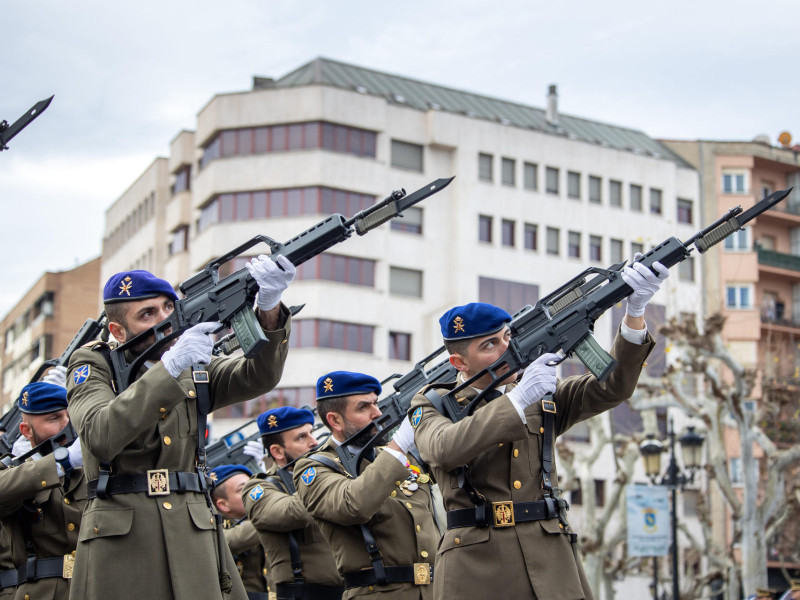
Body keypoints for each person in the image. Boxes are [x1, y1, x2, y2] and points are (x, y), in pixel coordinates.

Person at [408, 258, 668, 600]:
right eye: (490, 345)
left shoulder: (540, 396)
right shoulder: (433, 403)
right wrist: (517, 401)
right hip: (478, 570)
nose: (507, 349)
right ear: (459, 362)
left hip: (552, 563)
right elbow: (443, 448)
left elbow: (611, 388)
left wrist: (634, 313)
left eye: (507, 337)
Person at [65, 259, 295, 600]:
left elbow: (257, 375)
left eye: (168, 308)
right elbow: (99, 434)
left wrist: (269, 307)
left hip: (193, 529)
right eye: (148, 314)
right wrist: (169, 369)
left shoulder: (191, 364)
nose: (165, 320)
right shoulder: (94, 365)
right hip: (124, 537)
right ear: (117, 331)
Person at [295, 372, 439, 600]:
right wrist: (398, 446)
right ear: (335, 420)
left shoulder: (395, 455)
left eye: (376, 403)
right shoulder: (314, 468)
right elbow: (354, 505)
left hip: (433, 591)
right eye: (364, 407)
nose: (378, 413)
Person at [242, 406, 343, 600]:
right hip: (303, 594)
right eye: (301, 437)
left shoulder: (328, 472)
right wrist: (326, 479)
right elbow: (291, 513)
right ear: (278, 452)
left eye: (311, 433)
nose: (313, 442)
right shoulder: (260, 488)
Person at [0, 382, 86, 600]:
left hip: (93, 586)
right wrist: (59, 464)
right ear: (26, 430)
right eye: (54, 418)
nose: (67, 425)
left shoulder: (93, 470)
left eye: (69, 416)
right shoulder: (15, 473)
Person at [210, 464, 270, 600]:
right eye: (243, 489)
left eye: (253, 486)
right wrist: (274, 514)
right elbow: (227, 540)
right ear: (223, 505)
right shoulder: (215, 525)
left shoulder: (261, 514)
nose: (255, 493)